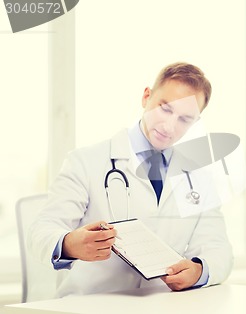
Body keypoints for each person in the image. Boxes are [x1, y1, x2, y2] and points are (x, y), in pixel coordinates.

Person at [28, 62, 233, 297]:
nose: (169, 125)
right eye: (165, 109)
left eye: (184, 119)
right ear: (146, 97)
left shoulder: (199, 179)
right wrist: (70, 244)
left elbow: (219, 251)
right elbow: (41, 231)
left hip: (162, 305)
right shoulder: (86, 161)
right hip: (90, 305)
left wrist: (198, 270)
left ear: (196, 122)